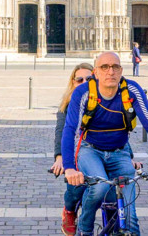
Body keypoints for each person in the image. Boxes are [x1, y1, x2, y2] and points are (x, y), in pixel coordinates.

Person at [62, 52, 148, 236]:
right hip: (90, 151)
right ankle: (85, 228)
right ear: (96, 72)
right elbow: (69, 129)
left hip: (120, 153)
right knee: (99, 187)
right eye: (104, 67)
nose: (110, 72)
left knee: (130, 219)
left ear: (121, 70)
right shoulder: (83, 93)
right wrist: (68, 168)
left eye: (115, 67)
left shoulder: (132, 90)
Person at [52, 63, 93, 236]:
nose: (84, 82)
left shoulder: (106, 100)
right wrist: (60, 156)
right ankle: (69, 211)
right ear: (73, 82)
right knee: (76, 185)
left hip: (99, 150)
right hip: (74, 151)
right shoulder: (68, 105)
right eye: (79, 79)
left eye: (89, 79)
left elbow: (118, 131)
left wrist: (128, 157)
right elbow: (61, 130)